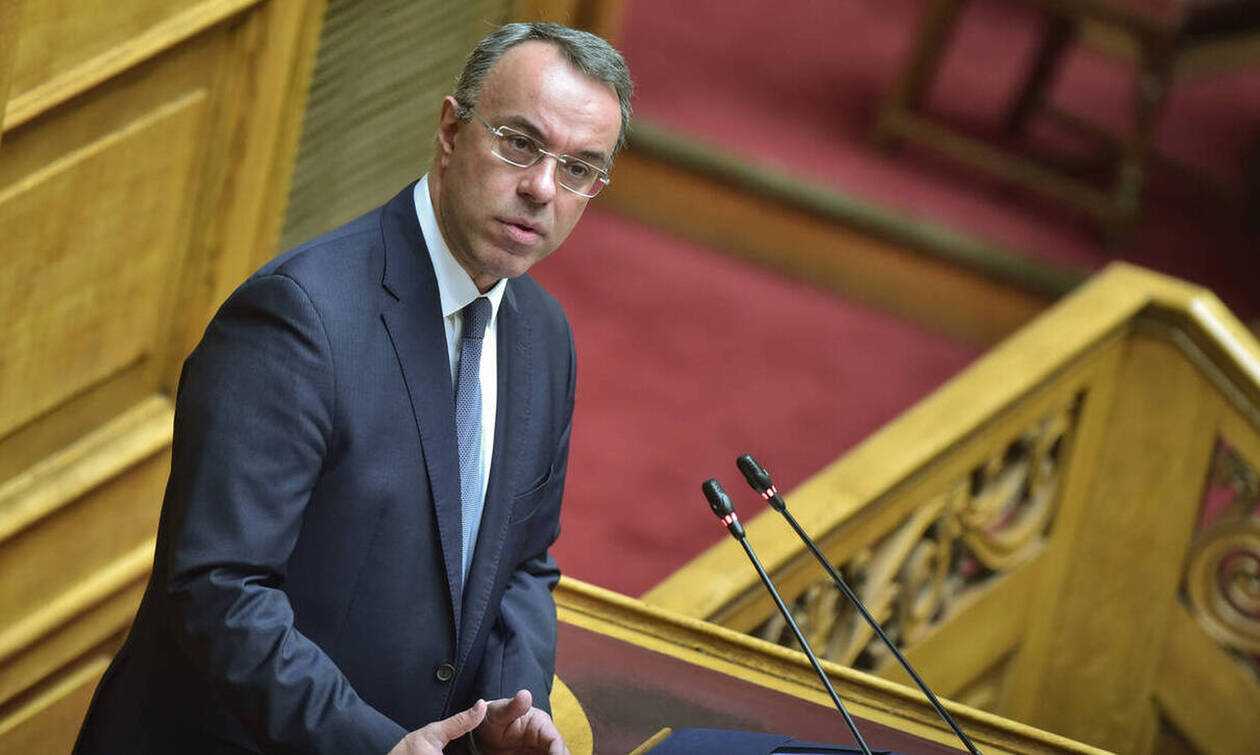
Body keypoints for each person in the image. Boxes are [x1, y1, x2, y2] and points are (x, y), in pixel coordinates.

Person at [72, 21, 631, 755]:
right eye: (519, 143)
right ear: (450, 130)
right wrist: (371, 744)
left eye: (579, 168)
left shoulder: (543, 338)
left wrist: (513, 704)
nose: (541, 189)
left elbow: (522, 563)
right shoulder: (298, 317)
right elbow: (217, 589)